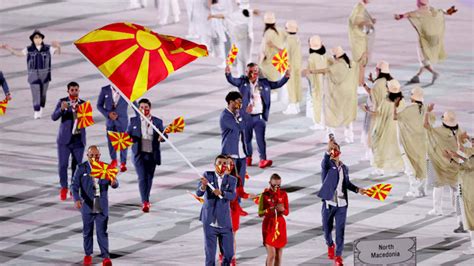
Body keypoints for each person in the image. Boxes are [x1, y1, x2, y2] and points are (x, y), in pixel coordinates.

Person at [225, 62, 290, 168]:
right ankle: (248, 157)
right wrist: (228, 74)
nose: (252, 74)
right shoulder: (242, 82)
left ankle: (263, 159)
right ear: (246, 72)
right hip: (246, 117)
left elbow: (276, 84)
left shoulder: (264, 83)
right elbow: (232, 80)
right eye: (250, 72)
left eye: (255, 71)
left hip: (259, 117)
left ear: (258, 72)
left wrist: (286, 77)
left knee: (261, 139)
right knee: (246, 139)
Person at [318, 138, 366, 266]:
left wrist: (357, 189)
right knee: (326, 229)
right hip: (329, 203)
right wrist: (328, 150)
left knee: (340, 231)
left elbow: (347, 184)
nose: (334, 151)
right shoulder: (327, 165)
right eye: (332, 149)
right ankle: (330, 244)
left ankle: (338, 256)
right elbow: (324, 162)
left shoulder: (344, 168)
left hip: (342, 205)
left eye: (336, 149)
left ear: (340, 151)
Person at [72, 145, 118, 266]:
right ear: (87, 156)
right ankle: (88, 254)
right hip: (87, 204)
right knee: (87, 231)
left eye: (96, 155)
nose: (94, 158)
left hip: (101, 204)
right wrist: (76, 199)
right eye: (91, 155)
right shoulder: (81, 168)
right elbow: (74, 186)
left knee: (102, 231)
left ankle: (105, 257)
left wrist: (113, 183)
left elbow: (114, 181)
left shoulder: (106, 167)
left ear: (99, 156)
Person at [394, 0, 458, 85]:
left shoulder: (418, 12)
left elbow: (405, 15)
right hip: (435, 38)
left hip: (425, 40)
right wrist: (450, 11)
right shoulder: (434, 10)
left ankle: (434, 73)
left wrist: (399, 16)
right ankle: (417, 76)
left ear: (418, 3)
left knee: (423, 58)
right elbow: (445, 11)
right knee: (426, 58)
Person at [2, 30, 61, 119]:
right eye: (36, 38)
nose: (38, 39)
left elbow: (58, 53)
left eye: (39, 37)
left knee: (43, 94)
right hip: (33, 75)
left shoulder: (48, 48)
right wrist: (9, 48)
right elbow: (19, 53)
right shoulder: (29, 49)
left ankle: (41, 107)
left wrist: (59, 47)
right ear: (32, 39)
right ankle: (36, 110)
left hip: (45, 75)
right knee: (35, 92)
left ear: (42, 38)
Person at [311, 46, 359, 143]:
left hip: (337, 95)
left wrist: (312, 71)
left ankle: (329, 137)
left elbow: (327, 70)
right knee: (347, 116)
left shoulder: (338, 66)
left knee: (331, 114)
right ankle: (349, 137)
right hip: (349, 95)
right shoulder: (351, 63)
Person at [127, 98, 167, 213]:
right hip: (139, 153)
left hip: (152, 153)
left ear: (150, 108)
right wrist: (128, 138)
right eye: (141, 107)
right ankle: (145, 201)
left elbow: (164, 135)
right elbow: (128, 134)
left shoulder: (157, 121)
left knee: (149, 178)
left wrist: (161, 138)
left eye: (146, 107)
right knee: (142, 177)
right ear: (138, 109)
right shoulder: (134, 121)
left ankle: (146, 198)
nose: (144, 109)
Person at [197, 155, 237, 266]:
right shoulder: (207, 176)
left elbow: (233, 195)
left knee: (229, 254)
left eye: (224, 163)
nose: (222, 165)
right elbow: (199, 193)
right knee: (210, 256)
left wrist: (222, 193)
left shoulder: (232, 180)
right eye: (219, 162)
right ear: (215, 164)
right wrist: (204, 186)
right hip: (210, 221)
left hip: (224, 222)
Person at [51, 81, 86, 201]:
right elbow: (53, 117)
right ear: (68, 91)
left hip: (78, 140)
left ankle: (73, 188)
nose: (74, 92)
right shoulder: (63, 102)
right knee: (63, 165)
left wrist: (81, 112)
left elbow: (89, 120)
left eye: (76, 90)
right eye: (72, 90)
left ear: (79, 90)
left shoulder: (84, 104)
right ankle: (63, 187)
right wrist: (61, 109)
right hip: (64, 141)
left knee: (76, 167)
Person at [424, 106, 461, 217]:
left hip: (439, 163)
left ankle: (437, 209)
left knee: (438, 186)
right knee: (454, 187)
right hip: (453, 162)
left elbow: (426, 126)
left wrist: (427, 112)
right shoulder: (458, 130)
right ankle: (456, 209)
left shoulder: (439, 131)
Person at [218, 156, 255, 265]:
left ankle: (232, 257)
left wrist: (248, 195)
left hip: (233, 211)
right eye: (226, 163)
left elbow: (241, 193)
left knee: (231, 235)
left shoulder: (237, 179)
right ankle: (222, 255)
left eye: (231, 164)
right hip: (221, 210)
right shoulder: (218, 178)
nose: (229, 166)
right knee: (221, 235)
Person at [393, 86, 428, 197]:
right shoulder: (425, 108)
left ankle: (414, 190)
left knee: (410, 167)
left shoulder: (409, 109)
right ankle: (422, 190)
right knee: (422, 165)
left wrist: (394, 104)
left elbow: (395, 117)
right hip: (422, 143)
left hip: (410, 143)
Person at [208, 0, 257, 76]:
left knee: (240, 58)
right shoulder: (249, 12)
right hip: (249, 37)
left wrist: (212, 16)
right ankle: (250, 74)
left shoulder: (237, 14)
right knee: (248, 57)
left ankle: (241, 75)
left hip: (240, 38)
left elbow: (223, 16)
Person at [444, 133, 474, 253]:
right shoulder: (471, 154)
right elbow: (465, 156)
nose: (471, 143)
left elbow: (464, 166)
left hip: (469, 192)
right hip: (466, 189)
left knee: (470, 218)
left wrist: (451, 159)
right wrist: (459, 140)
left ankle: (473, 246)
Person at [371, 79, 405, 175]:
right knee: (397, 149)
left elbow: (380, 115)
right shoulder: (402, 101)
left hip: (386, 129)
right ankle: (401, 166)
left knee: (380, 147)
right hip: (398, 130)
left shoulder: (386, 101)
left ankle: (379, 168)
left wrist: (368, 111)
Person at [360, 61, 391, 161]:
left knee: (371, 135)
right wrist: (373, 81)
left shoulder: (378, 83)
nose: (375, 71)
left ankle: (375, 162)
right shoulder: (388, 81)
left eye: (376, 69)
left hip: (374, 112)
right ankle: (371, 155)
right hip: (385, 113)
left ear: (380, 71)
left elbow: (373, 94)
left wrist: (364, 85)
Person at [258, 173, 289, 266]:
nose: (276, 187)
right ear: (269, 183)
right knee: (271, 255)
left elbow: (287, 212)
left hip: (280, 225)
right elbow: (260, 213)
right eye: (274, 185)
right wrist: (269, 210)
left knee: (278, 256)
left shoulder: (283, 194)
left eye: (278, 185)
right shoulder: (264, 195)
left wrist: (282, 210)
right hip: (269, 225)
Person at [97, 85, 130, 172]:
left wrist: (139, 116)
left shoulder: (126, 89)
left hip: (122, 121)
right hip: (110, 121)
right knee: (110, 141)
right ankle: (114, 160)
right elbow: (99, 105)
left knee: (123, 141)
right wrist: (108, 114)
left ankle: (123, 162)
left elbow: (134, 103)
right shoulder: (105, 89)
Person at [220, 91, 248, 186]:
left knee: (241, 183)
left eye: (241, 102)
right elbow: (239, 127)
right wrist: (240, 116)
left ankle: (239, 201)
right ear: (231, 102)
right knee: (231, 183)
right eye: (238, 101)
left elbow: (244, 126)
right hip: (230, 154)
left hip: (242, 154)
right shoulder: (225, 116)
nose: (240, 104)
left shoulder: (236, 114)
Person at [303, 35, 330, 130]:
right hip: (325, 83)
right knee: (323, 103)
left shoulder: (312, 57)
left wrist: (305, 73)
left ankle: (318, 123)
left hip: (316, 84)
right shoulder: (325, 55)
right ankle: (323, 122)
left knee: (316, 103)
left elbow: (309, 72)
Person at [348, 0, 376, 88]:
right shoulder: (359, 7)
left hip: (360, 39)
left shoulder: (361, 7)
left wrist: (370, 21)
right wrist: (368, 23)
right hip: (359, 40)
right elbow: (356, 22)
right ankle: (359, 83)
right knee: (361, 62)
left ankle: (360, 82)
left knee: (362, 62)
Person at [282, 20, 302, 115]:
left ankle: (292, 106)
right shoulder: (297, 39)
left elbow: (286, 56)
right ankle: (297, 105)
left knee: (290, 86)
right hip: (297, 65)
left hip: (290, 66)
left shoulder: (287, 41)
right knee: (297, 84)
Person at [208, 0, 229, 68]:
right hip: (220, 20)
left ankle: (227, 61)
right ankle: (226, 59)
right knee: (223, 41)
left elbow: (209, 5)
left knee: (224, 42)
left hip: (220, 21)